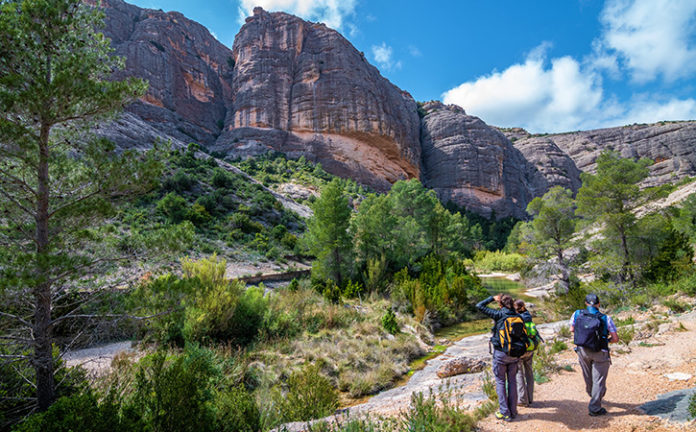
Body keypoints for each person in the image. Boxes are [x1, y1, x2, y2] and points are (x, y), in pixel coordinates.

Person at [476, 293, 525, 422]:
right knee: (513, 381)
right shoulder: (518, 316)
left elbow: (479, 305)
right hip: (515, 354)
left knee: (501, 382)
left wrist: (491, 298)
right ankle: (513, 411)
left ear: (500, 304)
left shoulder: (498, 315)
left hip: (501, 354)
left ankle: (505, 412)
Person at [569, 293, 619, 416]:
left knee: (588, 376)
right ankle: (595, 407)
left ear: (586, 303)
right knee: (599, 380)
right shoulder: (605, 318)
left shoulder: (577, 314)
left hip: (582, 350)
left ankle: (593, 394)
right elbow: (615, 338)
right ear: (599, 304)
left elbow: (572, 329)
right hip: (600, 351)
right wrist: (606, 340)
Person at [514, 299, 535, 407]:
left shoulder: (516, 318)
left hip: (520, 348)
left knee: (519, 373)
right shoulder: (528, 316)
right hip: (530, 347)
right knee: (529, 372)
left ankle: (522, 399)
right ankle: (530, 398)